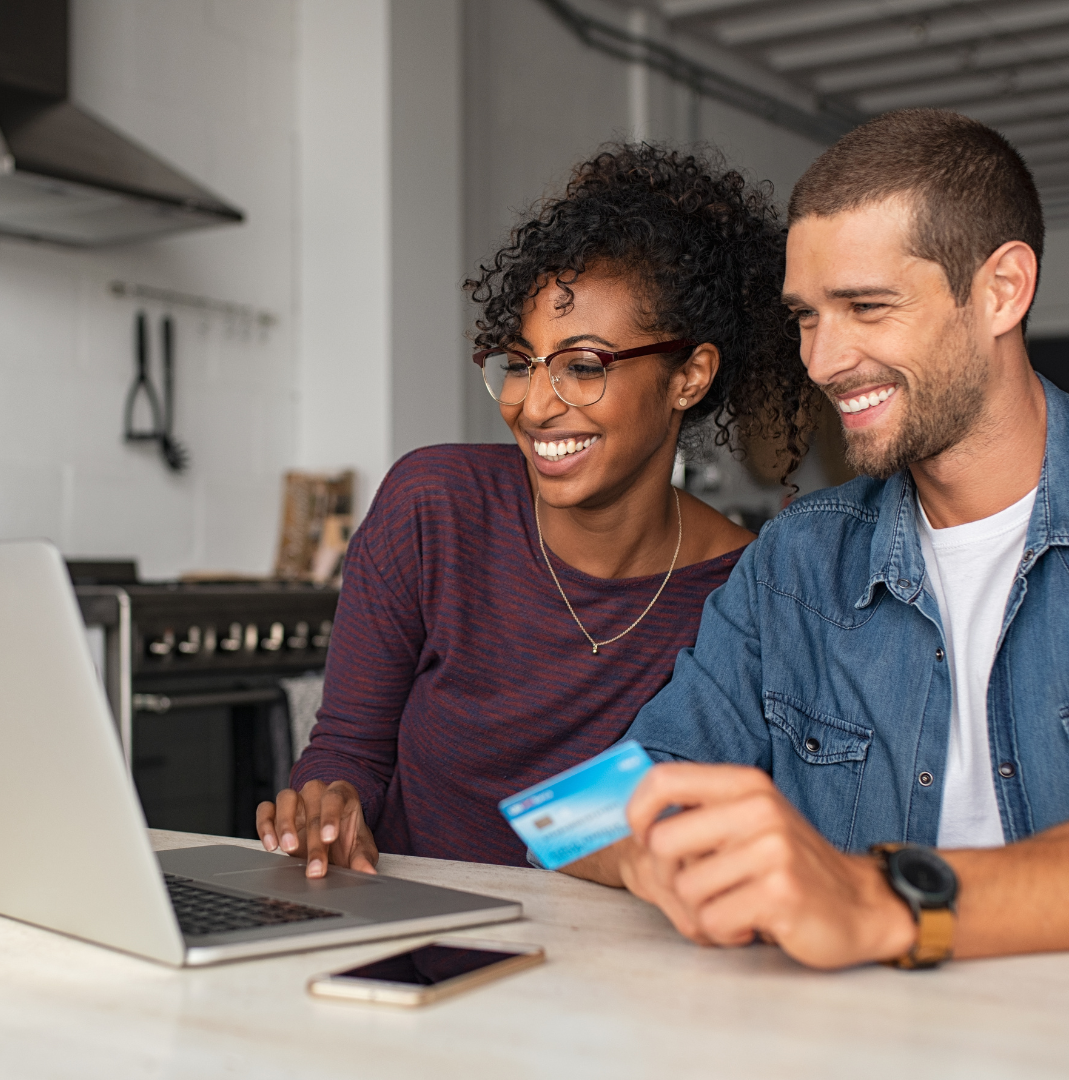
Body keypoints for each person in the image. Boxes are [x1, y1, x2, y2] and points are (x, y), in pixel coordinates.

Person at [573, 108, 1069, 970]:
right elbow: (576, 816)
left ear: (1001, 291)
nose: (822, 360)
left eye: (866, 306)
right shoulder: (796, 564)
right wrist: (675, 854)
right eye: (806, 315)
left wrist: (878, 901)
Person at [255, 145, 814, 875]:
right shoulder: (434, 508)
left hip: (587, 976)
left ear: (690, 377)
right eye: (521, 362)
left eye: (583, 367)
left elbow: (635, 820)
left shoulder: (744, 593)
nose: (534, 405)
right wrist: (325, 810)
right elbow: (346, 751)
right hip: (393, 955)